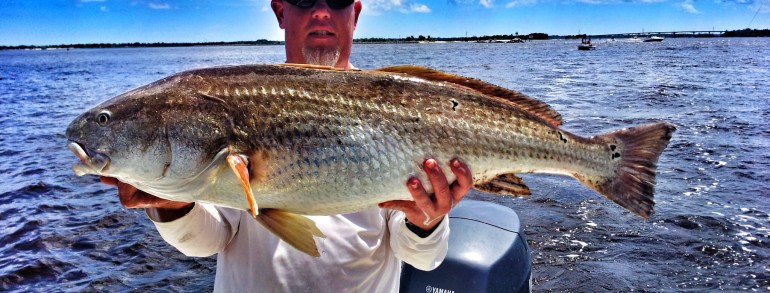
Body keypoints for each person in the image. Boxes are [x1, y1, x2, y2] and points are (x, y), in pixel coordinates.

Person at [100, 0, 474, 291]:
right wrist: (172, 204)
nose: (322, 11)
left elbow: (423, 259)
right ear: (281, 11)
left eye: (338, 0)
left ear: (356, 13)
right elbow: (207, 240)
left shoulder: (401, 109)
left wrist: (427, 221)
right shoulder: (239, 102)